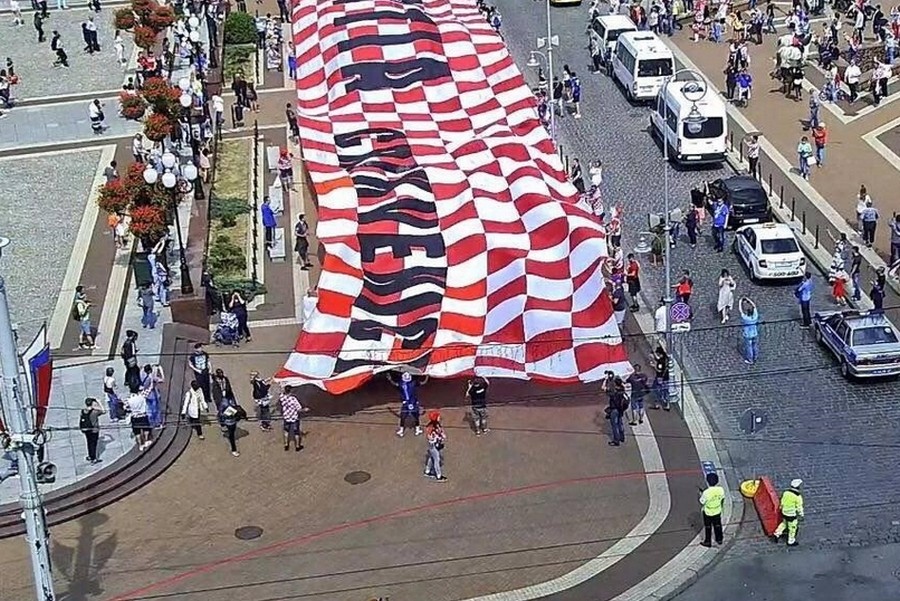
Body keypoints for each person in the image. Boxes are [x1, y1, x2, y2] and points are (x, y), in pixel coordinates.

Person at [772, 478, 804, 546]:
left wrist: (781, 508)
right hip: (791, 514)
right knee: (792, 527)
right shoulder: (797, 497)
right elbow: (799, 507)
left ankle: (777, 533)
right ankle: (791, 541)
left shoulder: (786, 493)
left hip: (784, 512)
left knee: (784, 523)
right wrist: (801, 514)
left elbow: (782, 502)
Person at [699, 472, 726, 547]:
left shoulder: (706, 492)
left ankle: (708, 541)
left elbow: (702, 501)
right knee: (718, 525)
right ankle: (719, 539)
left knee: (708, 527)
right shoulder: (721, 490)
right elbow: (722, 499)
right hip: (717, 511)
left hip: (708, 512)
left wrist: (701, 495)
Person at [279, 385, 307, 451]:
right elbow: (299, 409)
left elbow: (281, 392)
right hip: (294, 418)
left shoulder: (282, 397)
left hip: (286, 417)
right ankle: (297, 446)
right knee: (296, 432)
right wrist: (305, 410)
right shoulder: (293, 399)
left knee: (286, 431)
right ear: (291, 391)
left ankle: (286, 445)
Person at [79, 397, 105, 465]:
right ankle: (93, 458)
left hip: (87, 429)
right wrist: (99, 402)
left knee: (89, 442)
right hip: (94, 430)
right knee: (94, 444)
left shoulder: (83, 411)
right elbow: (103, 410)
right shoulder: (94, 412)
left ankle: (90, 456)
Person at [396, 372, 422, 437]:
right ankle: (401, 430)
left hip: (413, 401)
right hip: (405, 401)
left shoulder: (413, 384)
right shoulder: (401, 383)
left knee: (415, 415)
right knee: (403, 416)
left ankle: (417, 428)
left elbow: (419, 384)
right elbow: (397, 386)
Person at [424, 411, 448, 481]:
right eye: (438, 416)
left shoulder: (437, 424)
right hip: (433, 445)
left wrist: (442, 436)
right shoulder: (431, 427)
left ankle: (427, 471)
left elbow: (440, 432)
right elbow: (430, 437)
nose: (439, 417)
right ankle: (438, 476)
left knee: (431, 457)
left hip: (436, 444)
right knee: (437, 459)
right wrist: (437, 438)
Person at [140, 363, 164, 428]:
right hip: (152, 393)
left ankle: (150, 422)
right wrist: (161, 371)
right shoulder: (151, 377)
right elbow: (162, 380)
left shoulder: (142, 374)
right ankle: (157, 423)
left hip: (145, 393)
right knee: (155, 409)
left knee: (149, 408)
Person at [606, 377, 628, 446]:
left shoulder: (613, 392)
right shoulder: (622, 390)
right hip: (621, 409)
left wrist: (606, 381)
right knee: (620, 423)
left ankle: (616, 440)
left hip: (614, 409)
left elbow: (606, 390)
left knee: (614, 425)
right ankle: (622, 437)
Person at [740, 297, 760, 364]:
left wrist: (740, 302)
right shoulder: (755, 316)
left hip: (747, 334)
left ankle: (750, 360)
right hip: (755, 333)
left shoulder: (746, 318)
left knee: (749, 347)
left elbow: (740, 310)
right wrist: (749, 300)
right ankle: (756, 357)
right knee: (755, 345)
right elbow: (754, 306)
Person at [652, 346, 670, 411]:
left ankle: (657, 404)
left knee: (656, 390)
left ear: (659, 353)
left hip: (660, 378)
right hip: (666, 377)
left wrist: (654, 366)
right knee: (666, 391)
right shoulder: (666, 359)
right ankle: (667, 404)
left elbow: (659, 370)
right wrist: (654, 357)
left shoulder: (660, 361)